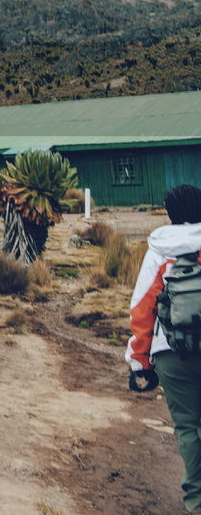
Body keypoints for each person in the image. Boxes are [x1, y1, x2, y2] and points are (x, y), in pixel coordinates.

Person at [128, 183, 201, 512]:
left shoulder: (160, 249)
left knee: (188, 426)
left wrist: (139, 361)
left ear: (170, 212)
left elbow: (143, 308)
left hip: (172, 352)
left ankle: (196, 501)